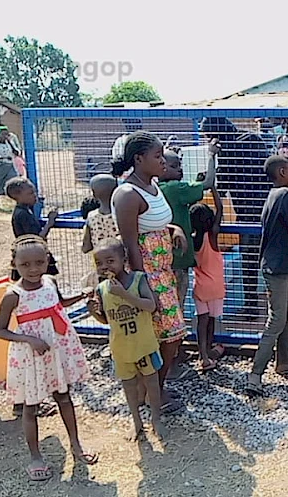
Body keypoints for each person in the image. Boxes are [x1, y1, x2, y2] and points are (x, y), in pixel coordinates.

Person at [0, 235, 97, 481]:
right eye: (25, 265)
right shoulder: (13, 295)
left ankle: (76, 444)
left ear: (47, 261)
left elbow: (59, 304)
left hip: (55, 350)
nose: (33, 269)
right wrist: (30, 340)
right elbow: (0, 330)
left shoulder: (50, 281)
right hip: (32, 355)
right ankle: (35, 456)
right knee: (31, 407)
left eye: (39, 263)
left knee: (64, 396)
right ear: (15, 264)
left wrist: (83, 296)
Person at [111, 130, 189, 413]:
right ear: (138, 159)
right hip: (148, 276)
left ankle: (155, 387)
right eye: (157, 157)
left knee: (170, 335)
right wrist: (142, 286)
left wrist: (174, 229)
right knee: (169, 334)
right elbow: (131, 242)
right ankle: (152, 390)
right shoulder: (128, 195)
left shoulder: (152, 186)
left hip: (164, 272)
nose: (163, 162)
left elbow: (154, 223)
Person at [86, 238, 167, 440]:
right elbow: (106, 320)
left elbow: (150, 306)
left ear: (123, 259)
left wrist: (124, 295)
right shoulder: (102, 289)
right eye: (99, 263)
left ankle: (156, 418)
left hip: (144, 345)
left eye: (110, 261)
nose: (105, 266)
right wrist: (94, 313)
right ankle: (137, 421)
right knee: (128, 386)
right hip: (121, 349)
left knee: (151, 382)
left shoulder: (138, 279)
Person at [247, 155, 288, 396]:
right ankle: (255, 375)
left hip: (281, 263)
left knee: (287, 314)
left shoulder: (275, 195)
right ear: (283, 172)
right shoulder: (284, 196)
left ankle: (283, 361)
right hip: (277, 267)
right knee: (277, 319)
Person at [158, 141, 218, 317]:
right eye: (174, 166)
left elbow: (180, 206)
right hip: (178, 258)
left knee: (165, 304)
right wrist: (212, 155)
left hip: (163, 258)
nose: (180, 170)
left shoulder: (158, 189)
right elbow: (209, 182)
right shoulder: (176, 188)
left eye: (180, 165)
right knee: (177, 305)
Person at [190, 188, 227, 372]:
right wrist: (212, 188)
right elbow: (220, 209)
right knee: (212, 320)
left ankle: (203, 355)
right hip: (216, 286)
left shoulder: (192, 240)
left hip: (200, 286)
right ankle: (210, 349)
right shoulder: (211, 237)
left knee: (201, 322)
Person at [6, 177, 59, 281]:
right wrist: (50, 222)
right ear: (17, 196)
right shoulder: (22, 214)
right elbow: (38, 237)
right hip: (31, 255)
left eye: (34, 192)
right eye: (30, 193)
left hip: (30, 253)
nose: (35, 195)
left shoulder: (26, 210)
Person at [81, 174, 119, 254]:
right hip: (122, 260)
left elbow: (86, 248)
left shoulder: (91, 217)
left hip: (100, 260)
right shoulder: (122, 213)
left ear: (94, 194)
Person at [0, 126, 20, 211]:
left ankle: (17, 201)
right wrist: (4, 157)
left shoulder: (10, 143)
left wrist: (10, 143)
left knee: (14, 181)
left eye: (6, 134)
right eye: (3, 134)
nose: (5, 135)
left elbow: (17, 152)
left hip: (10, 166)